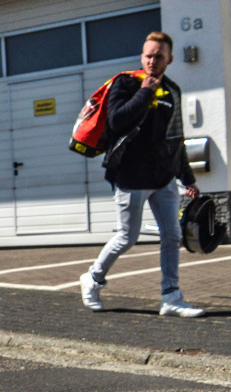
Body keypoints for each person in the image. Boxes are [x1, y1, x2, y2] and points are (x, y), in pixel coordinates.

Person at [79, 31, 202, 318]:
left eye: (159, 56)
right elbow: (117, 119)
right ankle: (93, 278)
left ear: (169, 59)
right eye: (148, 55)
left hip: (163, 178)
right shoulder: (126, 83)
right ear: (142, 57)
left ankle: (171, 297)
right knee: (127, 237)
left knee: (172, 236)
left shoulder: (173, 90)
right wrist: (145, 91)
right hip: (131, 177)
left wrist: (187, 177)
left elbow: (176, 137)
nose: (152, 60)